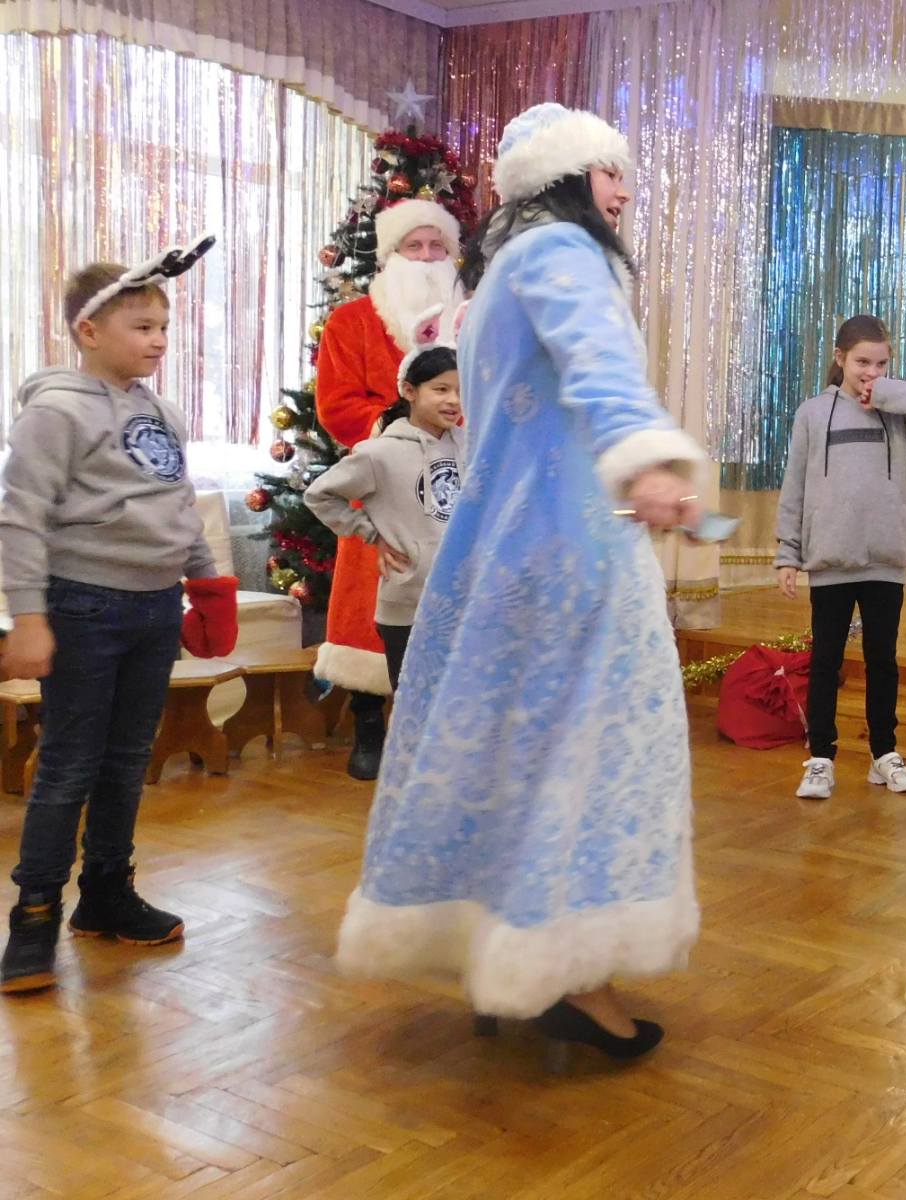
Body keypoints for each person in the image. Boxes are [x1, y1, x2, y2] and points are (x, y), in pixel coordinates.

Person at [335, 103, 707, 1066]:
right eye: (613, 173)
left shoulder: (505, 266)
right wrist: (646, 457)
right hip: (568, 551)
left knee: (513, 748)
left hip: (503, 546)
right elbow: (600, 364)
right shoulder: (561, 254)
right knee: (584, 755)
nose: (625, 194)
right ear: (570, 176)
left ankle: (505, 954)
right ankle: (567, 974)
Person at [0, 246, 239, 994]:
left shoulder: (160, 412)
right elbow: (21, 518)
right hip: (84, 606)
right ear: (88, 331)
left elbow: (178, 503)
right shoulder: (54, 411)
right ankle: (33, 916)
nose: (159, 340)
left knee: (128, 758)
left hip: (155, 606)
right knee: (69, 764)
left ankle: (106, 893)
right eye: (142, 327)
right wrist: (28, 617)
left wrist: (208, 583)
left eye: (164, 327)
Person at [315, 198, 466, 781]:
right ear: (390, 255)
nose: (426, 257)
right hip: (383, 484)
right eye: (414, 246)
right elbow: (336, 404)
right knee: (372, 605)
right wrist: (397, 424)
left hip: (456, 482)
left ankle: (447, 737)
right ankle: (367, 723)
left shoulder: (471, 323)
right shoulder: (351, 322)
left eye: (437, 246)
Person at [774, 315, 906, 801]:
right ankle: (821, 758)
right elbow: (795, 487)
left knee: (882, 660)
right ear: (839, 359)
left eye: (881, 364)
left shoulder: (897, 415)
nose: (871, 372)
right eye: (862, 363)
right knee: (826, 661)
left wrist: (890, 394)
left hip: (885, 561)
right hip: (830, 560)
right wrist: (788, 553)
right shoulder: (813, 414)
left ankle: (884, 754)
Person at [304, 318, 464, 693]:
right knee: (414, 706)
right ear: (409, 390)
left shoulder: (470, 447)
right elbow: (319, 495)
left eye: (460, 390)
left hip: (464, 605)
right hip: (407, 610)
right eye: (441, 389)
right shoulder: (379, 454)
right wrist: (370, 534)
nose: (453, 401)